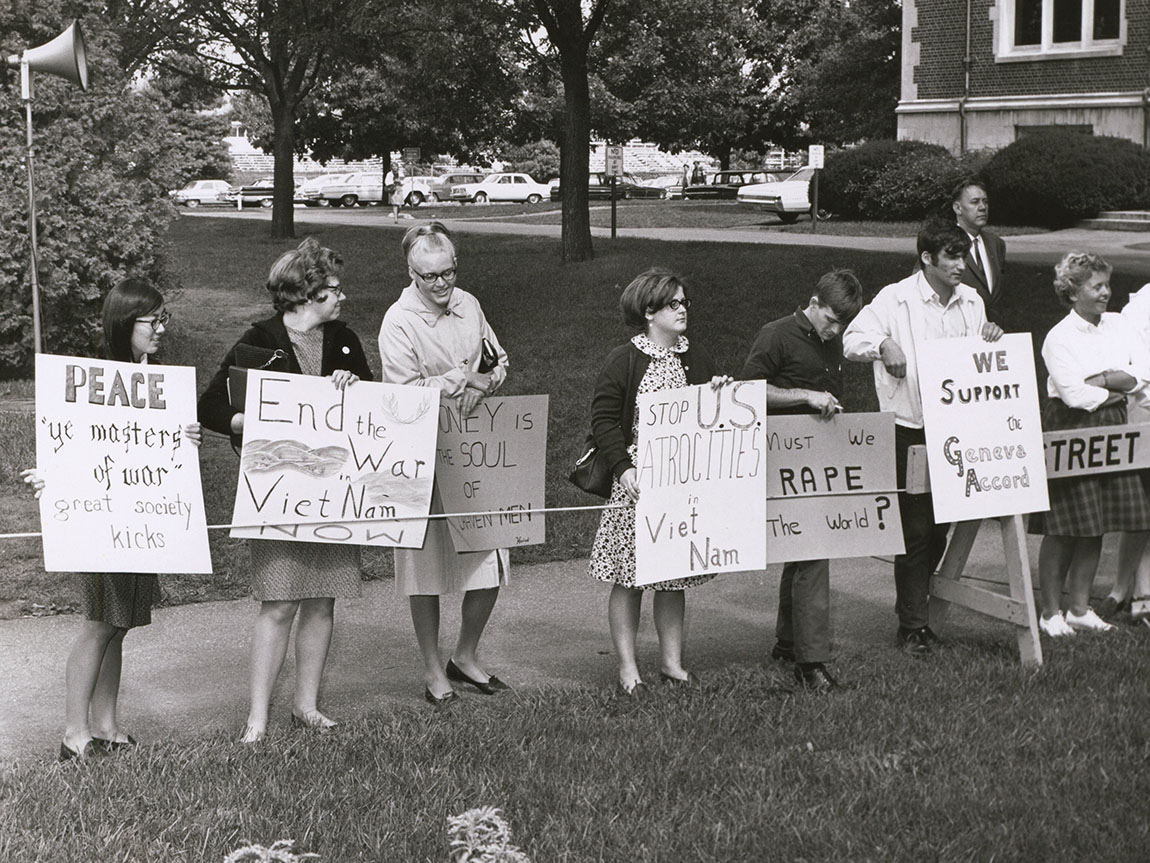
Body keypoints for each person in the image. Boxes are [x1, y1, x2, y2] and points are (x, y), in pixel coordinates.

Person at [198, 237, 373, 741]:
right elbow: (209, 405)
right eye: (334, 289)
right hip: (278, 494)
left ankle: (306, 705)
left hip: (334, 493)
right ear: (306, 293)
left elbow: (371, 405)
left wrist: (354, 384)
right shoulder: (257, 342)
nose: (342, 298)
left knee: (323, 600)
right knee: (278, 602)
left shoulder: (344, 339)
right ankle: (257, 716)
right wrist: (242, 421)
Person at [22, 278, 202, 761]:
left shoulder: (158, 377)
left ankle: (106, 724)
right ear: (127, 323)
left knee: (118, 623)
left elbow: (162, 451)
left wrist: (187, 439)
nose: (161, 328)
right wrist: (50, 475)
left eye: (165, 318)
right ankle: (73, 732)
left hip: (141, 519)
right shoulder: (93, 377)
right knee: (100, 622)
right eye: (153, 320)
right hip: (99, 521)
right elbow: (70, 439)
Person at [842, 219, 1003, 656]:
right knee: (914, 528)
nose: (960, 264)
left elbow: (977, 359)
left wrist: (991, 336)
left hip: (957, 428)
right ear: (927, 258)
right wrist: (883, 345)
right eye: (951, 256)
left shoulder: (972, 300)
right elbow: (852, 339)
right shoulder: (895, 298)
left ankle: (918, 609)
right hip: (909, 428)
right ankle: (912, 625)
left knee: (939, 527)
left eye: (963, 255)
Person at [378, 222, 511, 706]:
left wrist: (486, 382)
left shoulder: (470, 303)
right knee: (426, 568)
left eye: (448, 273)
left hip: (476, 448)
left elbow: (498, 361)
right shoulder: (398, 320)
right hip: (422, 451)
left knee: (491, 557)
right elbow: (402, 393)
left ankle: (466, 656)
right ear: (411, 272)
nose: (440, 284)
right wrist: (461, 379)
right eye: (429, 276)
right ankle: (433, 669)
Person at [587, 268, 726, 696]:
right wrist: (622, 468)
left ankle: (671, 662)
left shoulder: (695, 357)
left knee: (673, 577)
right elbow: (604, 420)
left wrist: (720, 392)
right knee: (629, 577)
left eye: (685, 302)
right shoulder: (625, 359)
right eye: (674, 304)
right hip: (636, 486)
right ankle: (628, 669)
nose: (683, 310)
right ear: (650, 311)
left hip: (680, 489)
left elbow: (709, 416)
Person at [739, 270, 864, 691]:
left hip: (818, 458)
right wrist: (805, 396)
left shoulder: (831, 342)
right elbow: (747, 390)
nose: (834, 330)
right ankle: (811, 662)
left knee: (802, 550)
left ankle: (788, 643)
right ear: (812, 303)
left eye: (842, 325)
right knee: (814, 549)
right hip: (779, 459)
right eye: (830, 319)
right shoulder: (775, 335)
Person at [1029, 253, 1150, 637]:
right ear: (1072, 290)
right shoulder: (1058, 337)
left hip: (1113, 429)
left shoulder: (1117, 325)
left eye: (1106, 285)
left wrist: (1108, 380)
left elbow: (1143, 375)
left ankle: (1079, 608)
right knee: (1065, 524)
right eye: (1096, 286)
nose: (1106, 293)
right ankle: (1051, 612)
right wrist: (1117, 384)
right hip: (1070, 429)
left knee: (1096, 523)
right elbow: (1073, 395)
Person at [1106, 283, 1150, 628]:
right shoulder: (1140, 306)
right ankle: (1134, 592)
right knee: (1143, 509)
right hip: (1145, 415)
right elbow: (1135, 372)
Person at [951, 178, 1007, 324]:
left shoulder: (996, 244)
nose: (982, 207)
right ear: (958, 208)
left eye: (985, 201)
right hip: (959, 333)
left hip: (995, 335)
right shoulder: (942, 243)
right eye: (975, 202)